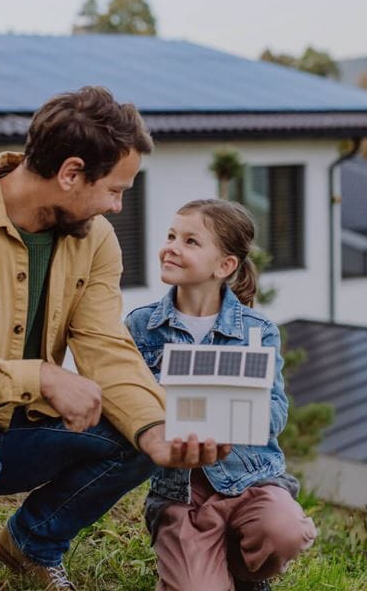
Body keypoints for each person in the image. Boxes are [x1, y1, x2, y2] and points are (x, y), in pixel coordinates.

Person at [0, 87, 229, 591]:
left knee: (139, 423)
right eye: (115, 190)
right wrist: (42, 376)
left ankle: (32, 543)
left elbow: (105, 348)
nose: (118, 207)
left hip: (15, 428)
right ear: (71, 173)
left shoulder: (94, 240)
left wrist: (155, 428)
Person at [125, 199, 318, 591]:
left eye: (191, 241)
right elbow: (128, 403)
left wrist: (233, 413)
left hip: (251, 480)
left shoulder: (257, 330)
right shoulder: (142, 326)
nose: (172, 247)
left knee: (286, 531)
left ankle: (245, 574)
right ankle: (205, 564)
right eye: (171, 236)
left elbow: (277, 410)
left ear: (225, 266)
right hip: (182, 492)